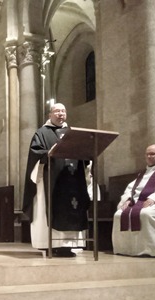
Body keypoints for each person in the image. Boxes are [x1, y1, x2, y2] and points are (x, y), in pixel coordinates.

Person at [22, 103, 91, 257]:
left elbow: (83, 154)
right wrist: (49, 153)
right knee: (52, 207)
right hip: (51, 181)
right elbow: (36, 153)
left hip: (72, 179)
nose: (60, 114)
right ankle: (49, 244)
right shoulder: (41, 133)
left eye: (63, 111)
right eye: (57, 111)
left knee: (73, 205)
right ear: (50, 115)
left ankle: (68, 246)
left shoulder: (73, 133)